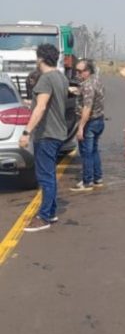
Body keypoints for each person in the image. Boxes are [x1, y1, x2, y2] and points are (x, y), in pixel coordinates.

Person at [20, 44, 69, 232]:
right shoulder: (61, 78)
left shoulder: (45, 79)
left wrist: (26, 132)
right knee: (49, 176)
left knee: (45, 176)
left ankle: (44, 216)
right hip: (58, 133)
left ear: (40, 59)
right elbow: (49, 104)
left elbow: (41, 108)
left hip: (47, 134)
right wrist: (29, 102)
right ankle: (51, 211)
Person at [71, 59, 106, 192]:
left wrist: (80, 128)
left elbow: (87, 107)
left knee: (86, 153)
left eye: (80, 71)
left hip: (89, 122)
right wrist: (77, 91)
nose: (77, 74)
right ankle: (97, 178)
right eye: (76, 71)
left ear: (88, 71)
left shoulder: (87, 86)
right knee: (94, 151)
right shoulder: (96, 81)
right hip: (99, 120)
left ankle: (87, 182)